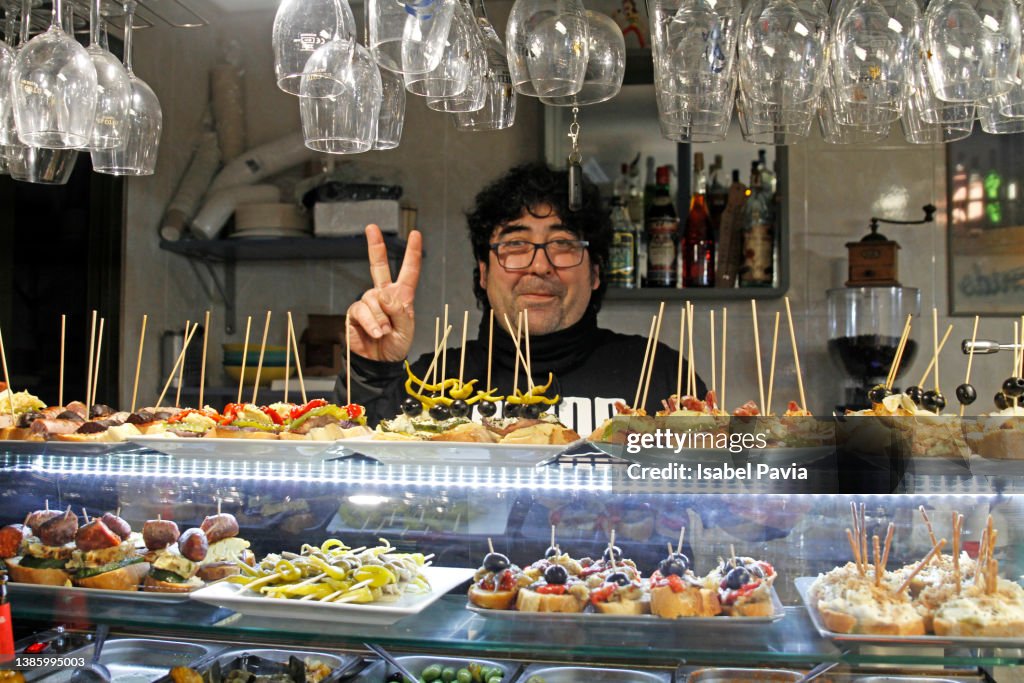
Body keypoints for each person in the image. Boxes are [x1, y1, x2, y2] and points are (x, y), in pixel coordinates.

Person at [339, 163, 705, 432]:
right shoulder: (432, 383)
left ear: (595, 273)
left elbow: (713, 495)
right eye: (516, 244)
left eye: (562, 244)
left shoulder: (660, 377)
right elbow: (352, 473)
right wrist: (372, 371)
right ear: (483, 272)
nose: (540, 265)